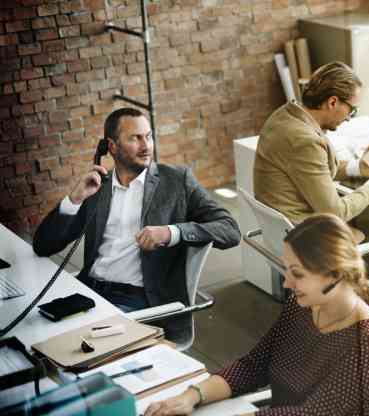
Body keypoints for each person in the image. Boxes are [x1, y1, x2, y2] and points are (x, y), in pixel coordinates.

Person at [144, 214, 369, 416]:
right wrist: (191, 396)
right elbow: (254, 365)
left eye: (297, 274)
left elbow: (312, 413)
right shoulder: (303, 307)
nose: (286, 283)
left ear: (336, 274)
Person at [32, 108, 241, 339]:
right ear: (111, 147)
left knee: (80, 346)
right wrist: (74, 199)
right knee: (36, 336)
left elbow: (230, 229)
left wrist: (171, 233)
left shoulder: (176, 181)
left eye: (148, 136)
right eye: (135, 138)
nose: (146, 146)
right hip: (88, 290)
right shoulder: (97, 186)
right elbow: (43, 246)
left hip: (136, 299)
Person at [253, 61, 369, 242]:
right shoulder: (305, 140)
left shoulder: (284, 115)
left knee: (358, 225)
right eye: (351, 110)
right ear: (332, 102)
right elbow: (336, 212)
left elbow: (314, 170)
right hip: (303, 240)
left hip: (281, 231)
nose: (348, 118)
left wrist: (358, 168)